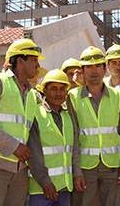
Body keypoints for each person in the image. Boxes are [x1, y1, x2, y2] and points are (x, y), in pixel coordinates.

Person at [0, 38, 43, 206]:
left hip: (19, 171)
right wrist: (15, 147)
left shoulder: (32, 94)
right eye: (34, 60)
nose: (38, 66)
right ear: (20, 61)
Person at [69, 46, 120, 206]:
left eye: (98, 66)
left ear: (104, 69)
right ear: (82, 70)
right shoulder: (73, 97)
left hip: (113, 167)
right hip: (85, 168)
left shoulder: (117, 96)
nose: (94, 70)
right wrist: (76, 171)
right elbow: (72, 137)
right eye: (89, 66)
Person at [28, 69, 77, 206]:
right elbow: (34, 153)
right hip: (41, 189)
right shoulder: (36, 114)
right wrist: (45, 182)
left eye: (62, 89)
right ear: (45, 91)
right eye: (54, 89)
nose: (58, 93)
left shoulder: (67, 115)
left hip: (64, 188)